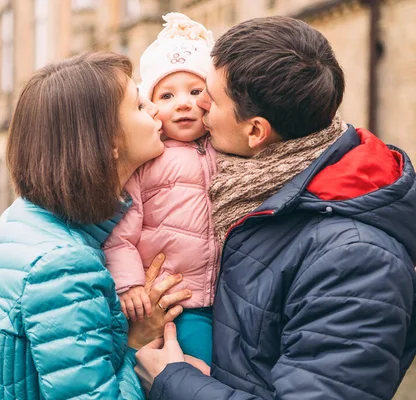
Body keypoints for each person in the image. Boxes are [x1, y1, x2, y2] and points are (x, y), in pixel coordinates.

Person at [135, 16, 416, 399]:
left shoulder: (358, 260)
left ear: (255, 132)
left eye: (210, 98)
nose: (195, 105)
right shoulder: (246, 189)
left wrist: (174, 382)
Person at [0, 52, 191, 399]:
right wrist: (137, 343)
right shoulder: (62, 264)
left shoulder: (24, 218)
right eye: (139, 105)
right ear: (109, 142)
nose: (156, 110)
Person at [104, 13, 217, 365]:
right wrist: (130, 284)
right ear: (151, 106)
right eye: (167, 95)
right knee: (190, 370)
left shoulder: (223, 149)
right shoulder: (150, 157)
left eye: (195, 91)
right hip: (173, 301)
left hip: (223, 296)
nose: (182, 103)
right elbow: (121, 234)